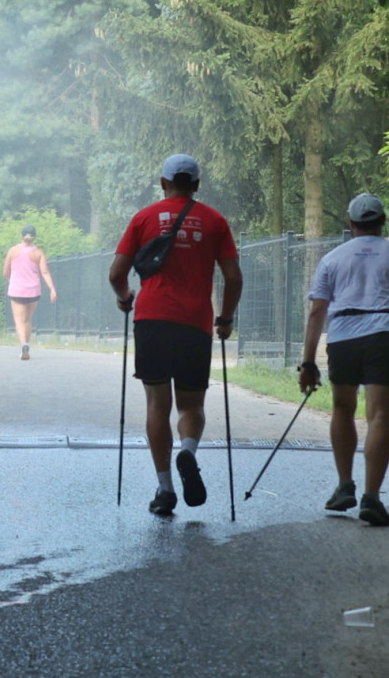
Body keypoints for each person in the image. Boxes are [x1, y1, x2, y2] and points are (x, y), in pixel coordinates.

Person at [109, 153, 243, 516]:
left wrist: (125, 299)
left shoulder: (144, 218)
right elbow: (233, 277)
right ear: (197, 185)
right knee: (192, 405)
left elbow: (116, 273)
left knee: (157, 404)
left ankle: (165, 489)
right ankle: (188, 451)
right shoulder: (215, 221)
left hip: (151, 319)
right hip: (194, 323)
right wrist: (225, 318)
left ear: (163, 182)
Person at [298, 193, 389, 526]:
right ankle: (371, 498)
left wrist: (308, 363)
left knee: (343, 408)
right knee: (379, 416)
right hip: (386, 335)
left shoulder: (332, 259)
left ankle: (344, 486)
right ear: (383, 222)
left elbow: (316, 311)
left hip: (342, 337)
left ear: (352, 223)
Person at [3, 225, 58, 360]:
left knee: (19, 320)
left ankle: (24, 345)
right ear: (34, 237)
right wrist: (52, 289)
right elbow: (44, 272)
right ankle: (27, 345)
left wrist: (13, 280)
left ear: (21, 236)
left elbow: (5, 272)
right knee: (27, 319)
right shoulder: (38, 253)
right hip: (33, 290)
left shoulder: (12, 251)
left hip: (17, 289)